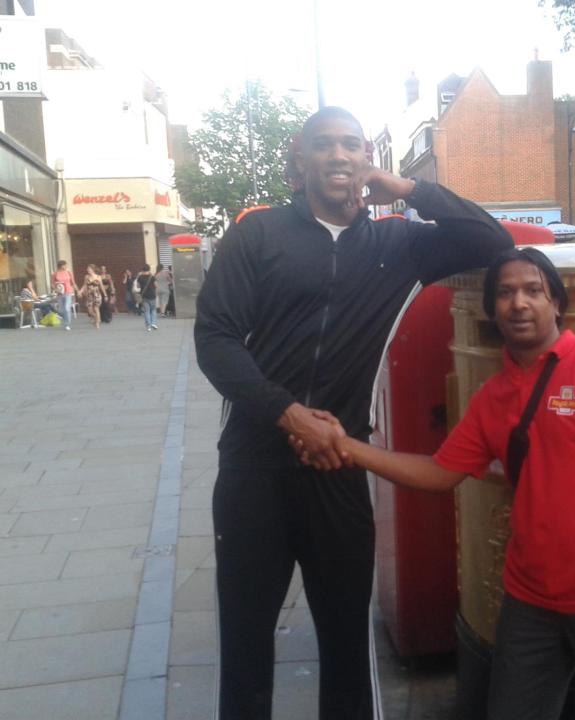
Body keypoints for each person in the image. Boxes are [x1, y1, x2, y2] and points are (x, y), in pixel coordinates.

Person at [193, 105, 512, 720]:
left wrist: (411, 188)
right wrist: (290, 415)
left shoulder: (398, 243)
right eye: (323, 145)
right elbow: (216, 339)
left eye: (351, 145)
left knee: (344, 639)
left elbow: (491, 240)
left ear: (367, 159)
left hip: (338, 470)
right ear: (299, 160)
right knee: (245, 636)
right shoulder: (257, 235)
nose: (338, 156)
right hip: (254, 466)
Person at [295, 247, 575, 720]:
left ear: (556, 304)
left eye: (532, 290)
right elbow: (441, 472)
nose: (518, 303)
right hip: (531, 598)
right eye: (505, 293)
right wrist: (352, 449)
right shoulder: (492, 398)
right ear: (492, 309)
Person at [51, 260, 78, 331]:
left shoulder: (69, 272)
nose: (66, 266)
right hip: (60, 293)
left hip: (68, 292)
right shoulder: (55, 274)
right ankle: (65, 317)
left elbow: (73, 282)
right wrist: (55, 289)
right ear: (61, 266)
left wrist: (78, 291)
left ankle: (67, 324)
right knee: (60, 310)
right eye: (65, 265)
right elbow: (52, 284)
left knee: (67, 308)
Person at [81, 264, 107, 329]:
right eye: (87, 269)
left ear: (93, 270)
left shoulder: (98, 277)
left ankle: (97, 323)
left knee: (96, 308)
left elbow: (101, 287)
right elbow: (84, 285)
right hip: (89, 295)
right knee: (89, 310)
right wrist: (80, 291)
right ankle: (97, 318)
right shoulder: (86, 277)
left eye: (89, 269)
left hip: (97, 294)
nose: (87, 270)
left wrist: (105, 295)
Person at [137, 265, 158, 331]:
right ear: (149, 269)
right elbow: (156, 285)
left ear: (142, 270)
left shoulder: (140, 277)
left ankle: (148, 326)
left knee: (147, 311)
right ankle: (153, 323)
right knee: (153, 310)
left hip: (144, 296)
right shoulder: (152, 277)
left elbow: (138, 286)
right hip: (152, 295)